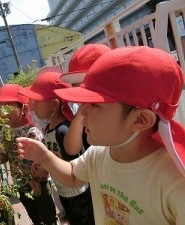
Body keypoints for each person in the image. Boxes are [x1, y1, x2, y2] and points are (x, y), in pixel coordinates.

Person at [16, 46, 185, 225]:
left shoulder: (174, 182)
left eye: (95, 105)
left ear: (141, 120)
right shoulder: (99, 153)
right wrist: (44, 155)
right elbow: (74, 175)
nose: (82, 112)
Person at [19, 67, 95, 225]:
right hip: (64, 192)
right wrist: (44, 166)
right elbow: (55, 156)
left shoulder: (64, 130)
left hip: (78, 195)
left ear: (54, 105)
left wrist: (47, 162)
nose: (32, 106)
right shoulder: (48, 129)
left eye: (37, 101)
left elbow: (72, 165)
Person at [0, 84, 59, 225]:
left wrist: (37, 178)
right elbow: (5, 157)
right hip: (21, 185)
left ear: (23, 108)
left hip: (39, 183)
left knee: (48, 219)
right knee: (35, 219)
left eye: (8, 107)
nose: (3, 113)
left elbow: (44, 158)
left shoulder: (32, 132)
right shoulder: (5, 133)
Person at [61, 44, 111, 155]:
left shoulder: (120, 112)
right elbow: (71, 149)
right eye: (76, 87)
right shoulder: (83, 112)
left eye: (86, 89)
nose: (80, 96)